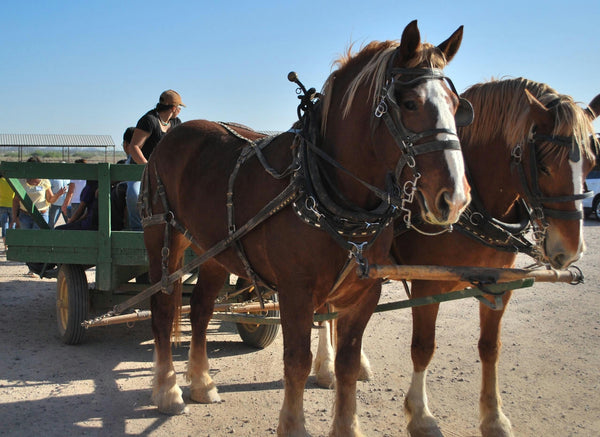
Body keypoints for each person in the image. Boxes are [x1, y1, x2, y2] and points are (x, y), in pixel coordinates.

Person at [126, 90, 185, 230]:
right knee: (134, 194)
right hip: (139, 166)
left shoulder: (176, 123)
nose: (180, 110)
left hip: (162, 169)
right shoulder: (149, 120)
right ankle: (136, 230)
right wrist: (148, 168)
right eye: (179, 107)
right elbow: (134, 147)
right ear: (173, 108)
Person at [12, 156, 65, 230]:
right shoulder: (22, 181)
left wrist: (58, 195)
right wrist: (14, 218)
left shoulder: (44, 181)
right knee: (26, 239)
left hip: (41, 215)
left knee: (38, 239)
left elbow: (50, 199)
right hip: (25, 216)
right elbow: (16, 200)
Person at [0, 172, 15, 251]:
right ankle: (11, 246)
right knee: (12, 226)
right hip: (12, 205)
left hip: (2, 205)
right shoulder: (13, 181)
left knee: (4, 226)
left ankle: (6, 247)